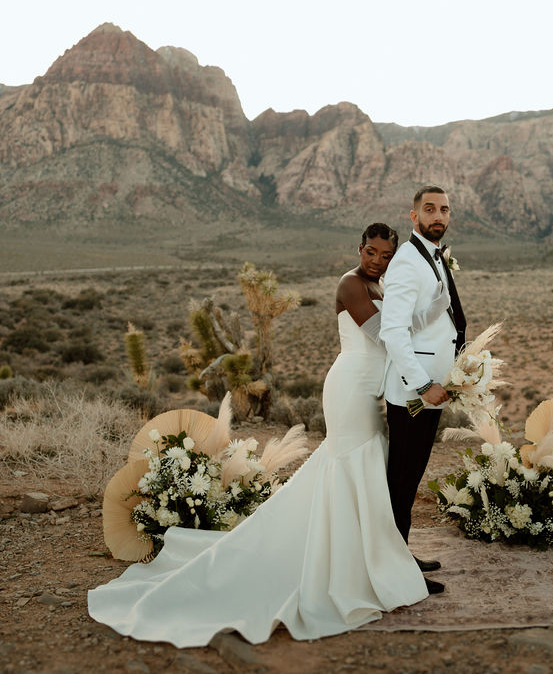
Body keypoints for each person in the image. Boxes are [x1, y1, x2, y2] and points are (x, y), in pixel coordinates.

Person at [87, 223, 448, 646]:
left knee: (370, 468)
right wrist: (423, 322)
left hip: (373, 388)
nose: (377, 261)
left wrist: (433, 308)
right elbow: (386, 336)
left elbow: (396, 331)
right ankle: (378, 564)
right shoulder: (351, 284)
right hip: (350, 388)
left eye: (386, 256)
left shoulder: (380, 286)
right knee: (354, 464)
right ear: (359, 249)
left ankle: (385, 556)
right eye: (371, 252)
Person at [380, 185, 466, 594]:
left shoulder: (430, 255)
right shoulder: (404, 263)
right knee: (401, 480)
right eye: (429, 209)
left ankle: (401, 554)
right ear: (412, 216)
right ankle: (395, 571)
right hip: (414, 393)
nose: (438, 215)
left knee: (409, 480)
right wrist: (423, 383)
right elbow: (392, 332)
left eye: (444, 209)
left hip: (431, 390)